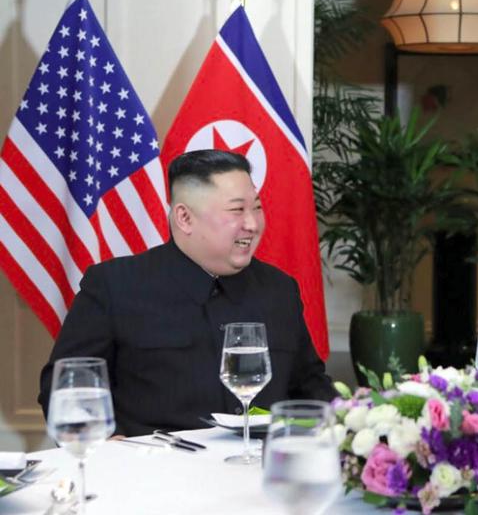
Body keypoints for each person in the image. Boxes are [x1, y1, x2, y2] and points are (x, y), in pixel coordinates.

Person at [38, 149, 336, 436]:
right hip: (149, 475)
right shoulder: (115, 285)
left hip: (260, 471)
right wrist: (107, 441)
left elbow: (309, 386)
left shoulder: (279, 289)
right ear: (184, 218)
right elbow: (63, 387)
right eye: (237, 210)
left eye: (257, 207)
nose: (252, 224)